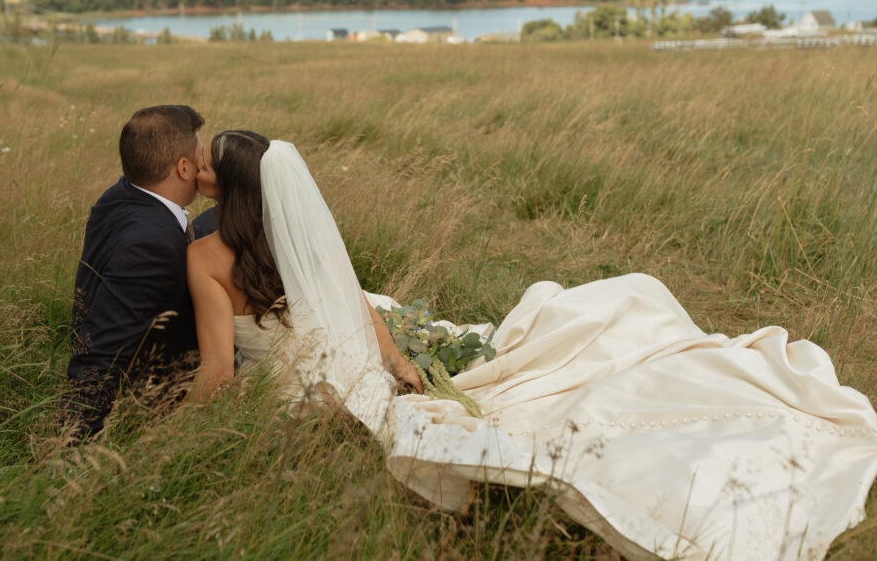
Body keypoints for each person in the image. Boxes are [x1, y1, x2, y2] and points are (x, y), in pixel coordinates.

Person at [186, 130, 877, 560]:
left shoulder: (206, 256)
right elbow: (357, 304)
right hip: (354, 361)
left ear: (227, 183)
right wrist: (394, 360)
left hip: (291, 387)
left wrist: (173, 427)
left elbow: (218, 369)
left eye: (207, 160)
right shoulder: (299, 237)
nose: (198, 166)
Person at [61, 105, 215, 441]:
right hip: (160, 386)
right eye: (199, 156)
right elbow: (102, 352)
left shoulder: (118, 195)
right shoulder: (150, 246)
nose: (203, 164)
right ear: (184, 167)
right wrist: (72, 447)